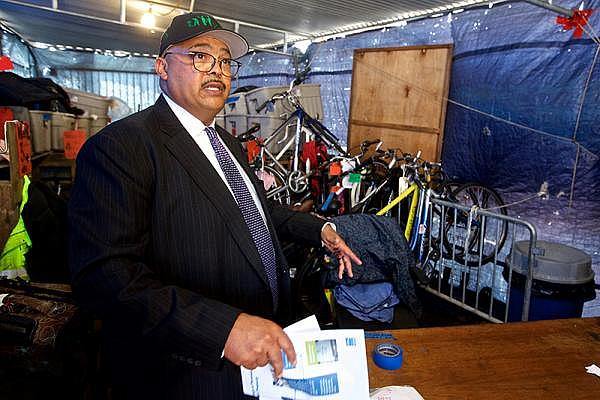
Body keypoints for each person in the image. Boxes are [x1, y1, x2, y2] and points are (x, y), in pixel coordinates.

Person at [68, 12, 361, 400]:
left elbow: (253, 209)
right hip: (191, 374)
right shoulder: (123, 147)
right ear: (162, 67)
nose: (217, 71)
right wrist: (223, 329)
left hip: (263, 355)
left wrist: (319, 229)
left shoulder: (227, 142)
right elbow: (105, 277)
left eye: (225, 61)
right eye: (200, 57)